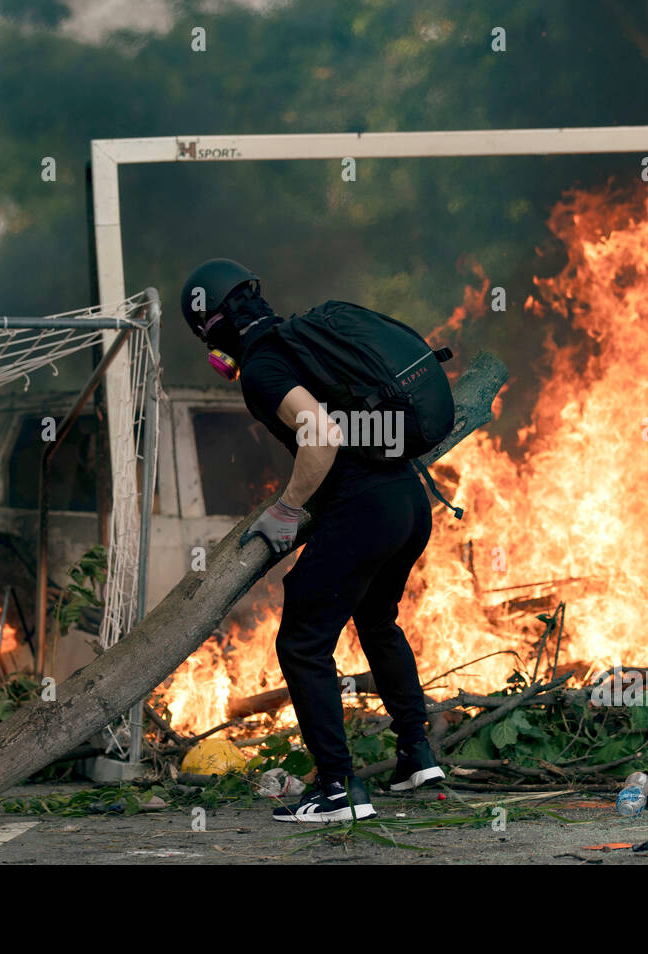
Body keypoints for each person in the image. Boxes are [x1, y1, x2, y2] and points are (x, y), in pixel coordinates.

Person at [181, 258, 446, 823]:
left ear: (215, 330)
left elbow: (320, 435)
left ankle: (339, 790)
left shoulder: (262, 367)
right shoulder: (307, 339)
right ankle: (417, 755)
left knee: (302, 643)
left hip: (364, 510)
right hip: (409, 503)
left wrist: (287, 509)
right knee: (377, 620)